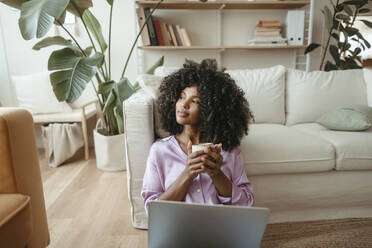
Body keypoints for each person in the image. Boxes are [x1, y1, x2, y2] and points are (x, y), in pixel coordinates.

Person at [141, 58, 255, 214]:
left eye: (194, 101)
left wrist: (216, 173)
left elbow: (246, 204)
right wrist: (189, 172)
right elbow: (152, 210)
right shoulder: (159, 151)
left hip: (219, 231)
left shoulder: (229, 152)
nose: (183, 104)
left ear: (211, 109)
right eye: (181, 97)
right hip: (178, 232)